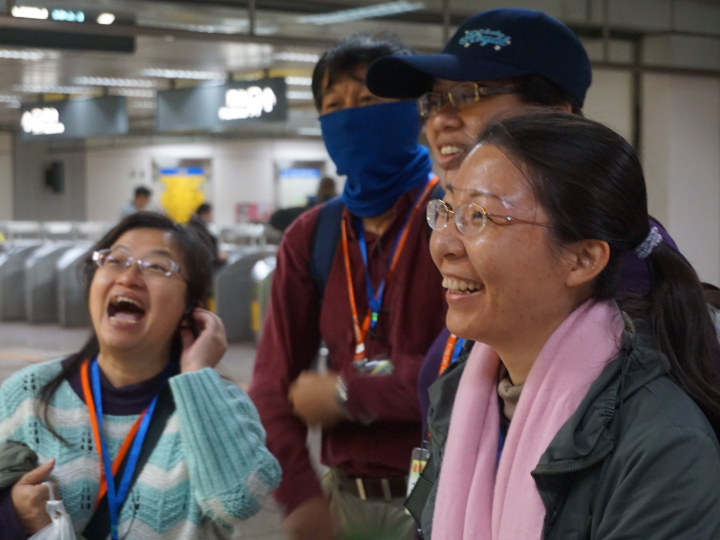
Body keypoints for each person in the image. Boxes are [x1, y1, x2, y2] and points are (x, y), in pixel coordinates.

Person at [364, 7, 693, 441]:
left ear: (556, 114)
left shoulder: (619, 284)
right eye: (433, 101)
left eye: (469, 94)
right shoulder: (496, 260)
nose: (441, 119)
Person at [421, 111, 720, 539]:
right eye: (448, 210)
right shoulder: (462, 399)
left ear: (582, 259)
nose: (444, 244)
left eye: (479, 216)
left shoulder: (664, 446)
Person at [248, 33, 446, 540]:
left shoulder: (456, 221)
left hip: (446, 501)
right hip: (341, 501)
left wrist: (346, 392)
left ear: (414, 111)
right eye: (334, 105)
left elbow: (462, 377)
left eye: (369, 99)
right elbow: (272, 387)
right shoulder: (312, 236)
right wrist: (299, 494)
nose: (350, 116)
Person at [0, 212, 281, 539]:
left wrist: (196, 375)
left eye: (157, 267)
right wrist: (13, 515)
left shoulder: (221, 403)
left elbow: (238, 501)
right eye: (115, 261)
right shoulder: (27, 394)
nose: (129, 277)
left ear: (191, 307)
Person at [270, 176, 339, 233]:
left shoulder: (312, 210)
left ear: (319, 189)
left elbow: (277, 217)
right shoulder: (339, 210)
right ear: (334, 189)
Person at [188, 202, 226, 270]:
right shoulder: (198, 228)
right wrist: (217, 256)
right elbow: (205, 251)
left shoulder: (197, 226)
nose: (212, 216)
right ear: (206, 213)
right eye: (211, 213)